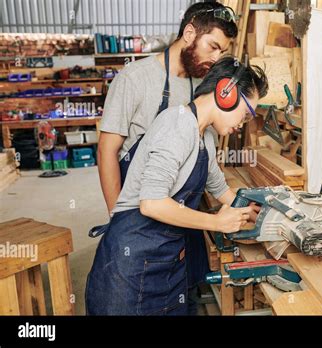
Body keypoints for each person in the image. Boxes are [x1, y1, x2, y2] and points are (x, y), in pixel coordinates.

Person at [86, 56, 268, 315]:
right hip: (131, 263)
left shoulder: (204, 134)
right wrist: (217, 222)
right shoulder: (177, 123)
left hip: (165, 260)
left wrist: (251, 210)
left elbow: (221, 190)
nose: (242, 124)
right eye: (247, 113)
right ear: (226, 93)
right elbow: (151, 203)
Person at [97, 2, 238, 215]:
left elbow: (205, 155)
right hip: (138, 211)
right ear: (189, 33)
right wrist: (117, 217)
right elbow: (106, 151)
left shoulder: (203, 86)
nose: (216, 58)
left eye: (223, 51)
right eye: (213, 47)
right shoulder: (134, 78)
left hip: (184, 212)